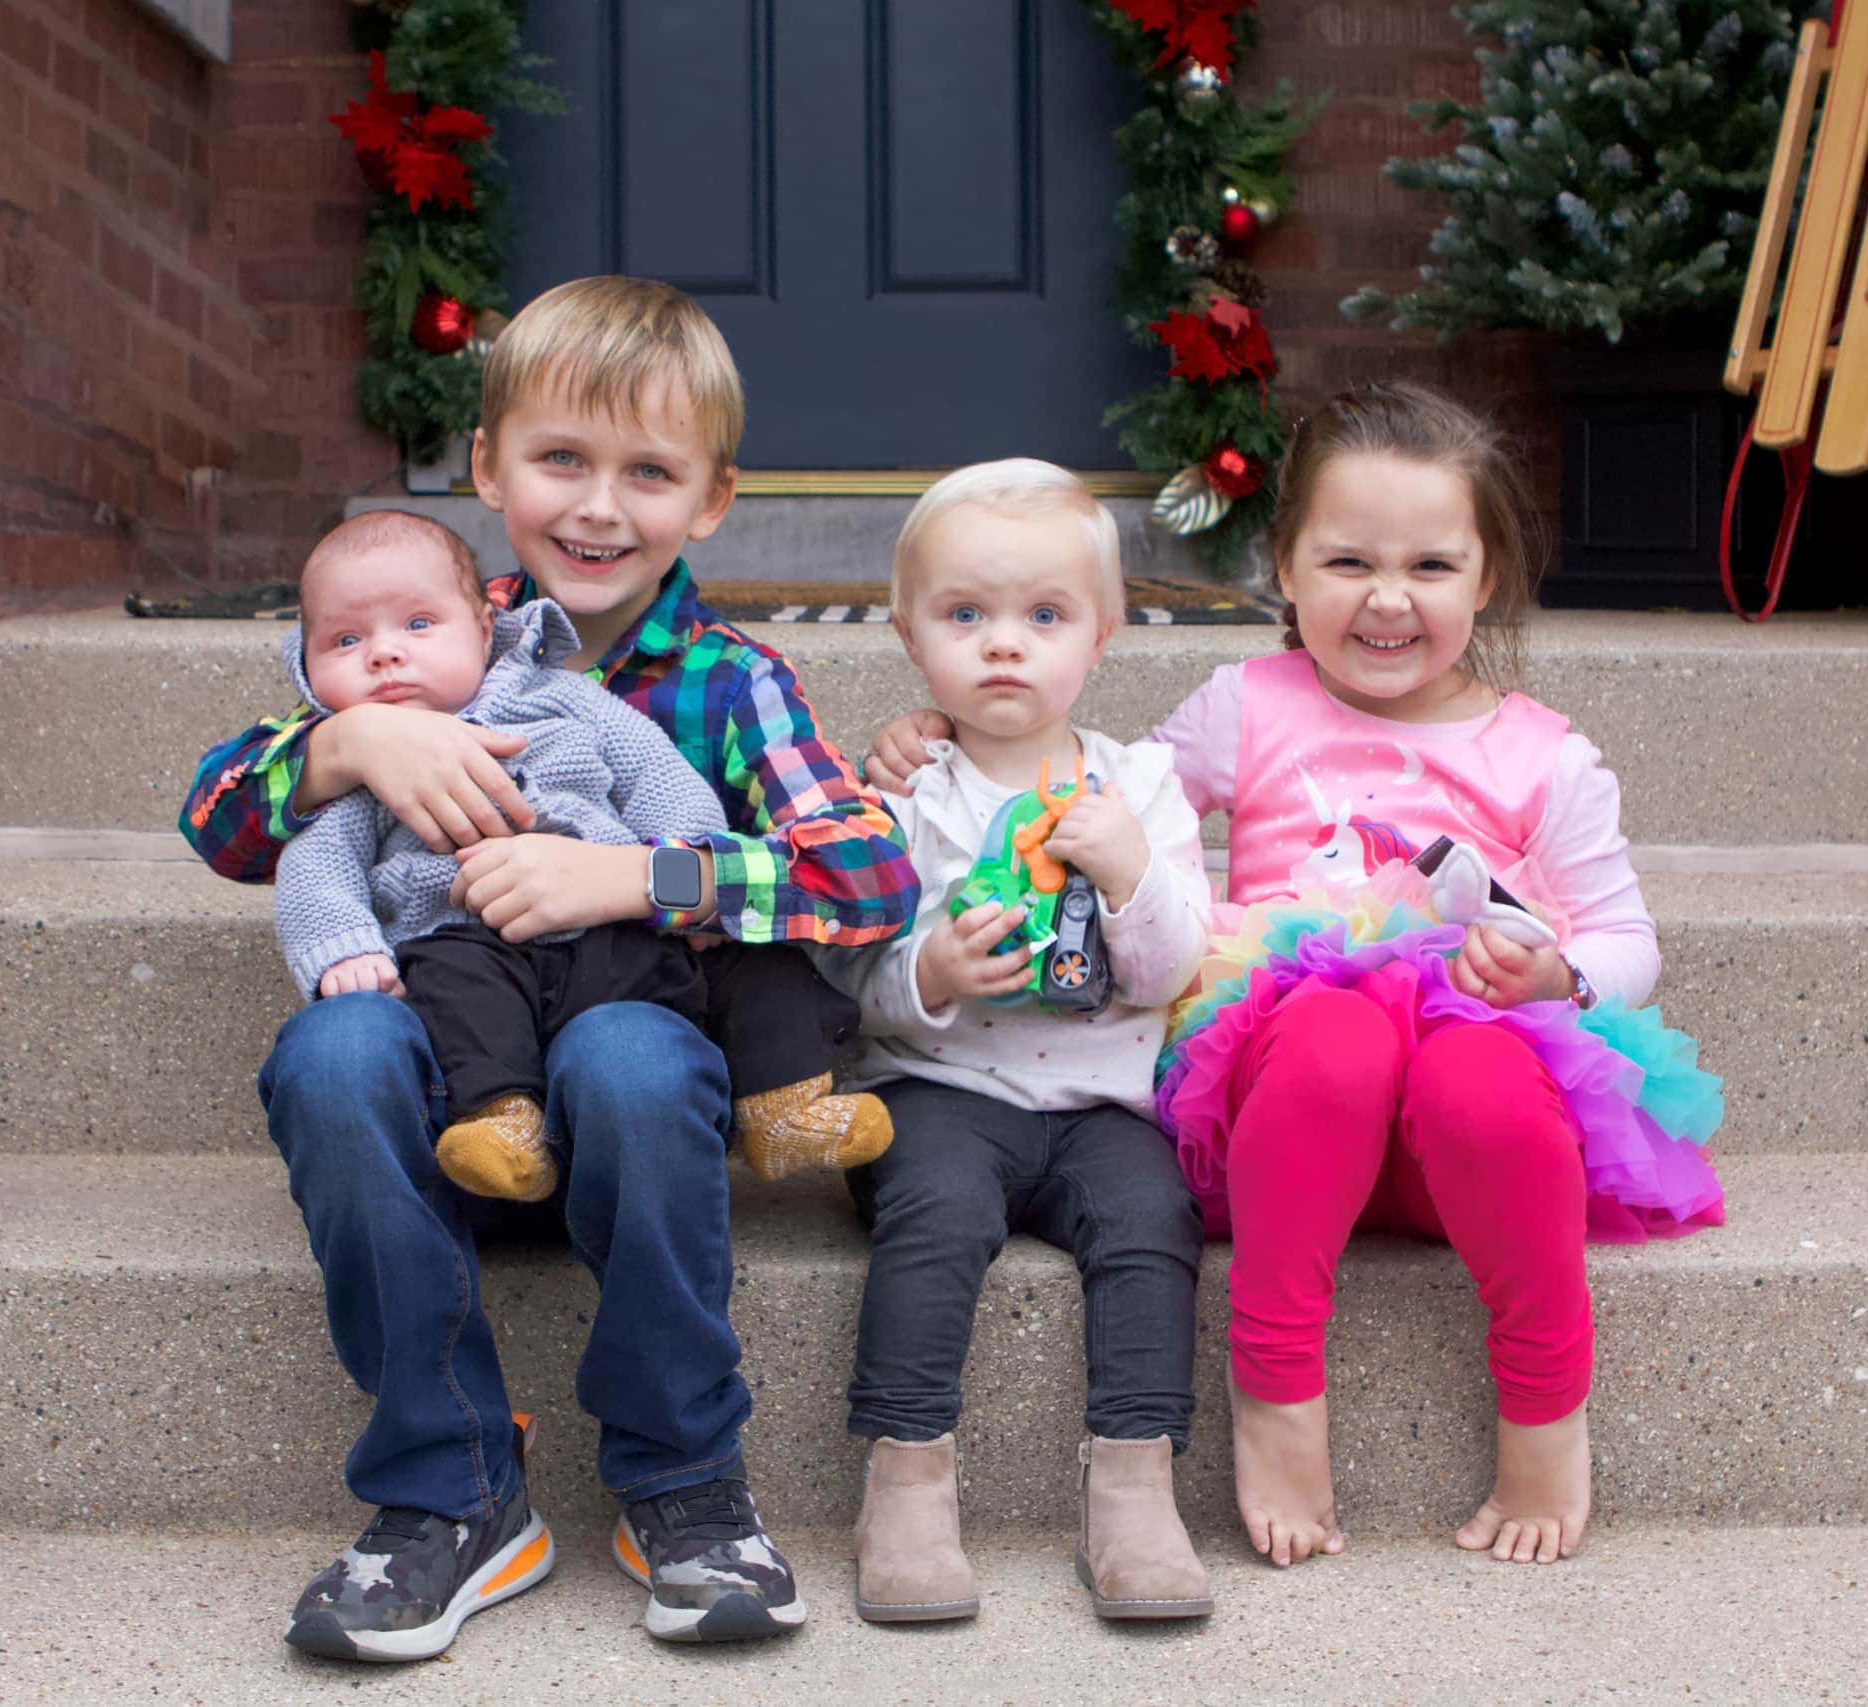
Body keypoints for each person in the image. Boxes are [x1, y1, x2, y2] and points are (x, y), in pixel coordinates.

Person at [864, 382, 1723, 1573]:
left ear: (1486, 578)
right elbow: (1091, 795)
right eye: (1346, 561)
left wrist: (1554, 974)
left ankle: (1543, 1416)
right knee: (1337, 1037)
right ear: (1283, 568)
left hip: (1457, 1133)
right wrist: (943, 741)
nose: (1385, 598)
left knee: (1476, 1070)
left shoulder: (1544, 755)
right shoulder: (1247, 706)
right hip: (1287, 1116)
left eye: (1430, 565)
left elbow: (1630, 943)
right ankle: (1277, 1392)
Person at [177, 275, 917, 1657]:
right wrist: (346, 746)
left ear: (710, 499)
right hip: (442, 1099)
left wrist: (644, 875)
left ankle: (686, 1480)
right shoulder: (415, 628)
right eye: (561, 458)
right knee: (331, 1053)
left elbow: (869, 875)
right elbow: (219, 817)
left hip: (634, 1091)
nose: (596, 505)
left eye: (649, 473)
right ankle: (449, 1491)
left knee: (632, 1056)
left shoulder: (728, 676)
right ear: (487, 466)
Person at [829, 461, 1215, 1625]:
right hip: (940, 1088)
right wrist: (929, 974)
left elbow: (1173, 967)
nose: (1005, 646)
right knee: (937, 1214)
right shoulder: (900, 799)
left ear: (1102, 634)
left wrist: (1132, 872)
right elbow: (842, 974)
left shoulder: (1142, 787)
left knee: (1153, 1221)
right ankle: (905, 1482)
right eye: (965, 617)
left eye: (1043, 617)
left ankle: (1135, 1489)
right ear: (908, 636)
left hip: (1102, 1105)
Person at [272, 510, 890, 1200]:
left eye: (417, 626)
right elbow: (311, 864)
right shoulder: (356, 762)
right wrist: (341, 946)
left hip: (619, 930)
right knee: (448, 982)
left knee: (753, 951)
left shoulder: (566, 697)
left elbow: (657, 777)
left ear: (484, 627)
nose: (383, 654)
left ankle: (785, 1107)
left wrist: (667, 870)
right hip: (472, 935)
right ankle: (503, 1120)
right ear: (307, 665)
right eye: (346, 640)